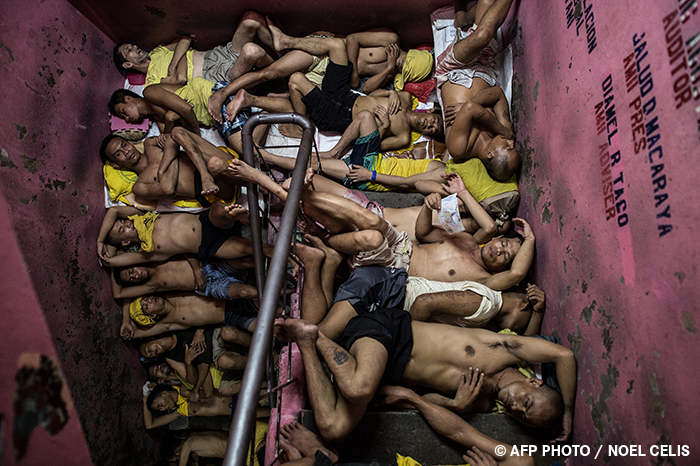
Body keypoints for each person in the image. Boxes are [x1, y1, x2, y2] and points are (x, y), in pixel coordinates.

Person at [274, 313, 575, 443]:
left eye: (522, 416)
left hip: (383, 371)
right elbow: (564, 355)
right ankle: (317, 336)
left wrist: (453, 404)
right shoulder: (504, 348)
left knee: (334, 430)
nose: (516, 408)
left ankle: (307, 342)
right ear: (534, 382)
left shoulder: (481, 402)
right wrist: (568, 412)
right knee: (358, 388)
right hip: (391, 333)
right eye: (527, 402)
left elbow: (423, 401)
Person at [231, 167, 532, 288]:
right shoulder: (466, 240)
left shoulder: (482, 280)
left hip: (395, 267)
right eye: (505, 243)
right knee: (375, 223)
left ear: (504, 267)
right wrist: (429, 208)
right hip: (401, 241)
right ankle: (288, 193)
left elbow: (516, 273)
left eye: (506, 255)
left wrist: (528, 239)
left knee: (372, 236)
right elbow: (425, 233)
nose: (500, 249)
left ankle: (288, 199)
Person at [259, 19, 442, 152]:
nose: (430, 125)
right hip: (345, 94)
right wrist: (391, 94)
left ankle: (302, 127)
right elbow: (370, 92)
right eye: (434, 121)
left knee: (295, 79)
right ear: (429, 111)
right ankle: (286, 41)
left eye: (432, 130)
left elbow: (368, 146)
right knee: (337, 45)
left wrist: (384, 126)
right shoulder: (405, 97)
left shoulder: (403, 137)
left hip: (336, 116)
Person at [436, 0, 519, 181]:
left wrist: (470, 107)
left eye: (508, 148)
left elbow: (470, 108)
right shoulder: (503, 132)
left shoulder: (459, 149)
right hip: (485, 68)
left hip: (453, 70)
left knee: (482, 35)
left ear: (490, 154)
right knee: (485, 2)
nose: (511, 142)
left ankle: (464, 19)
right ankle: (462, 18)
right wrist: (470, 108)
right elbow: (497, 93)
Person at [113, 11, 276, 87]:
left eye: (132, 45)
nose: (135, 47)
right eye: (128, 50)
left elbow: (185, 40)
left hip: (218, 53)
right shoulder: (152, 82)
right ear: (127, 64)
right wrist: (179, 60)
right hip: (216, 74)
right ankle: (282, 72)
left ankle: (282, 54)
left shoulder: (157, 52)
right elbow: (180, 79)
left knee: (251, 19)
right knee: (251, 51)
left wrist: (174, 63)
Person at [99, 127, 242, 207]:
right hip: (210, 189)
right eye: (119, 153)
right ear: (117, 164)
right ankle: (207, 176)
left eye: (124, 145)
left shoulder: (150, 144)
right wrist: (172, 151)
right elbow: (168, 188)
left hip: (209, 160)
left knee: (177, 131)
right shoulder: (139, 186)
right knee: (215, 165)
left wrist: (163, 169)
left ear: (130, 143)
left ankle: (205, 175)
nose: (126, 152)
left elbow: (176, 136)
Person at [140, 327, 250, 399]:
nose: (152, 354)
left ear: (150, 338)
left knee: (227, 334)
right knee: (225, 364)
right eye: (151, 355)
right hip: (217, 360)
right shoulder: (173, 361)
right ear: (160, 380)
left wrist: (199, 330)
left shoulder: (169, 328)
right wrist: (188, 361)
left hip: (215, 338)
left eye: (148, 350)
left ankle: (259, 345)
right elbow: (202, 387)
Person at [406, 282, 547, 336]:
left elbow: (526, 344)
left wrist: (538, 313)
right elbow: (423, 303)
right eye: (523, 326)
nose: (517, 330)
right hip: (400, 296)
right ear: (523, 305)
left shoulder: (489, 314)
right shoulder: (485, 305)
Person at [110, 256, 257, 300]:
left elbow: (186, 249)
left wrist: (197, 271)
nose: (136, 275)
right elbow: (119, 294)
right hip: (209, 286)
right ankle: (274, 295)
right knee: (245, 292)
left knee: (246, 261)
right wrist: (109, 268)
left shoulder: (155, 256)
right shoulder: (151, 286)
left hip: (209, 265)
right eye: (132, 279)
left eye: (131, 271)